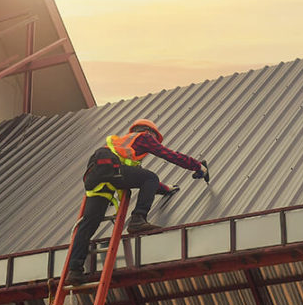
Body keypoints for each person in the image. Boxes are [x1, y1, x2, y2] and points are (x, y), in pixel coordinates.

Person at [67, 118, 205, 285]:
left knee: (88, 224)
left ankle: (74, 271)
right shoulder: (144, 137)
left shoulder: (124, 147)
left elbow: (139, 177)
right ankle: (138, 219)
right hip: (112, 169)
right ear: (149, 132)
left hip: (97, 174)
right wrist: (197, 166)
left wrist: (167, 188)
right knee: (151, 176)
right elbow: (168, 155)